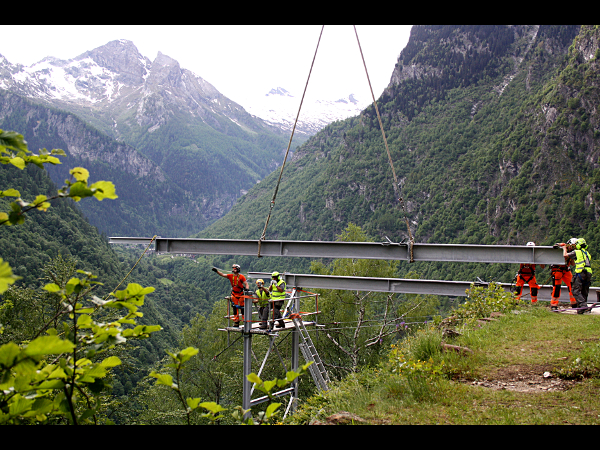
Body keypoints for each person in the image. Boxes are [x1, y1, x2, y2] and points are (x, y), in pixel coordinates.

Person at [560, 238, 593, 314]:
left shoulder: (577, 252)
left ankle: (583, 305)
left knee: (575, 291)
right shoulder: (587, 253)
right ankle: (582, 309)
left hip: (581, 273)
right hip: (588, 273)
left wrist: (564, 248)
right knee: (584, 291)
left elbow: (565, 255)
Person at [550, 241, 577, 310]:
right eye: (572, 246)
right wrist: (558, 246)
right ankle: (554, 305)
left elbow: (573, 264)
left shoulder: (573, 251)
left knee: (572, 286)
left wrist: (572, 257)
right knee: (557, 287)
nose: (573, 248)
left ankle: (574, 303)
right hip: (557, 270)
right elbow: (557, 244)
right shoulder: (564, 246)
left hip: (566, 270)